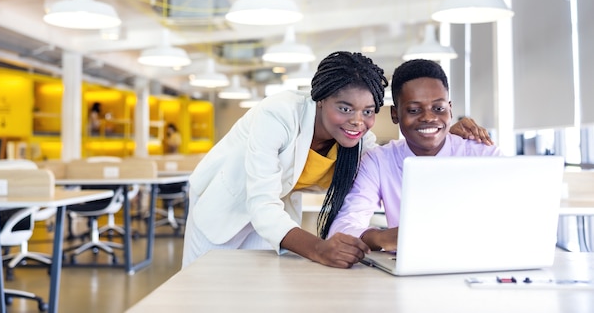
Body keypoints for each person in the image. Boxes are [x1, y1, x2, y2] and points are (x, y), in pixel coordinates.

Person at [182, 52, 492, 269]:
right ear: (320, 100)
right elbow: (260, 203)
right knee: (203, 298)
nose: (357, 121)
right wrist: (318, 249)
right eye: (345, 108)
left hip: (274, 223)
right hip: (224, 209)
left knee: (255, 298)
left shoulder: (358, 143)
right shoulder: (278, 114)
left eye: (368, 111)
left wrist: (441, 132)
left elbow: (398, 151)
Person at [327, 58, 501, 252]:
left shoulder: (483, 154)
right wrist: (382, 237)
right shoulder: (379, 160)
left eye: (438, 108)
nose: (428, 117)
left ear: (450, 109)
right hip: (409, 270)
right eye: (414, 110)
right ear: (395, 114)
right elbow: (341, 228)